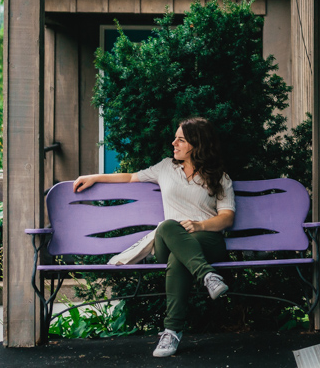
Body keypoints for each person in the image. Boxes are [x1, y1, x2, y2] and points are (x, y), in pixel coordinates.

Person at [73, 117, 236, 357]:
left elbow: (226, 218)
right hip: (168, 239)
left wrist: (199, 224)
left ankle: (171, 332)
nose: (174, 143)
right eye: (175, 138)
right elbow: (130, 177)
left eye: (180, 139)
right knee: (168, 226)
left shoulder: (219, 177)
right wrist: (95, 177)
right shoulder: (165, 168)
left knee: (179, 259)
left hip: (206, 240)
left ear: (196, 143)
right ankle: (207, 276)